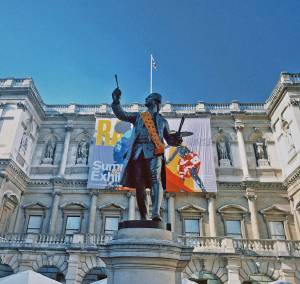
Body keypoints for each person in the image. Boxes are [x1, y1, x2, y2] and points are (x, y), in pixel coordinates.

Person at [111, 88, 182, 221]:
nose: (145, 100)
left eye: (148, 98)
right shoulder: (139, 116)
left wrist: (177, 140)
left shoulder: (163, 122)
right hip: (138, 153)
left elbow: (169, 140)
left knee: (156, 181)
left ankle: (155, 213)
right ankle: (144, 216)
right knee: (139, 185)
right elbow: (122, 115)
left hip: (155, 152)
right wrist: (116, 101)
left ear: (156, 102)